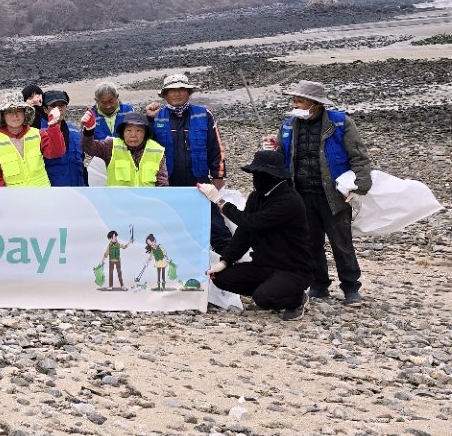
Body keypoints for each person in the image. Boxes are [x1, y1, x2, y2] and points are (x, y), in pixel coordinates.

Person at [273, 80, 373, 305]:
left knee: (342, 243)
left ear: (315, 103)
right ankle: (319, 285)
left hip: (334, 195)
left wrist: (360, 188)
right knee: (310, 242)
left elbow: (359, 157)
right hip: (300, 194)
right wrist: (270, 150)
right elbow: (280, 157)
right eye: (294, 100)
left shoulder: (341, 123)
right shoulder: (288, 125)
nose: (294, 104)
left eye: (299, 100)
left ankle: (350, 287)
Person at [198, 150, 313, 321]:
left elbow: (253, 222)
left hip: (293, 269)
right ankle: (273, 290)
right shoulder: (256, 197)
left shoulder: (289, 201)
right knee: (220, 278)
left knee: (263, 298)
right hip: (264, 264)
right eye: (254, 173)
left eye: (260, 174)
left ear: (274, 176)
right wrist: (225, 260)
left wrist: (220, 202)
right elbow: (245, 232)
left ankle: (297, 299)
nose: (256, 178)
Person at [145, 73, 230, 253]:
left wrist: (218, 176)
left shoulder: (204, 114)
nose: (177, 93)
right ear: (165, 94)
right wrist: (149, 120)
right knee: (170, 225)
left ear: (189, 92)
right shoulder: (156, 117)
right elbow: (141, 145)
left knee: (216, 226)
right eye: (172, 90)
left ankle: (228, 261)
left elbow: (216, 147)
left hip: (199, 181)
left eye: (182, 89)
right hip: (168, 183)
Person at [0, 92, 66, 187]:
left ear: (24, 113)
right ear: (2, 116)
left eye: (19, 111)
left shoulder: (38, 134)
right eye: (9, 112)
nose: (15, 115)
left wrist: (53, 125)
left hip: (42, 193)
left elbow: (57, 152)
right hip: (14, 196)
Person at [79, 111, 168, 186]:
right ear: (123, 132)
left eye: (138, 131)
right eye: (129, 130)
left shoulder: (157, 150)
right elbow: (89, 148)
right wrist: (89, 131)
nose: (133, 135)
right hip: (117, 201)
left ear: (145, 133)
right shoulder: (111, 145)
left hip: (146, 201)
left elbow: (162, 184)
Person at [41, 90, 86, 186]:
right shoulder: (39, 133)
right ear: (45, 109)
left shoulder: (74, 130)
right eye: (53, 106)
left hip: (77, 187)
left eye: (62, 105)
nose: (59, 109)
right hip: (54, 189)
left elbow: (81, 161)